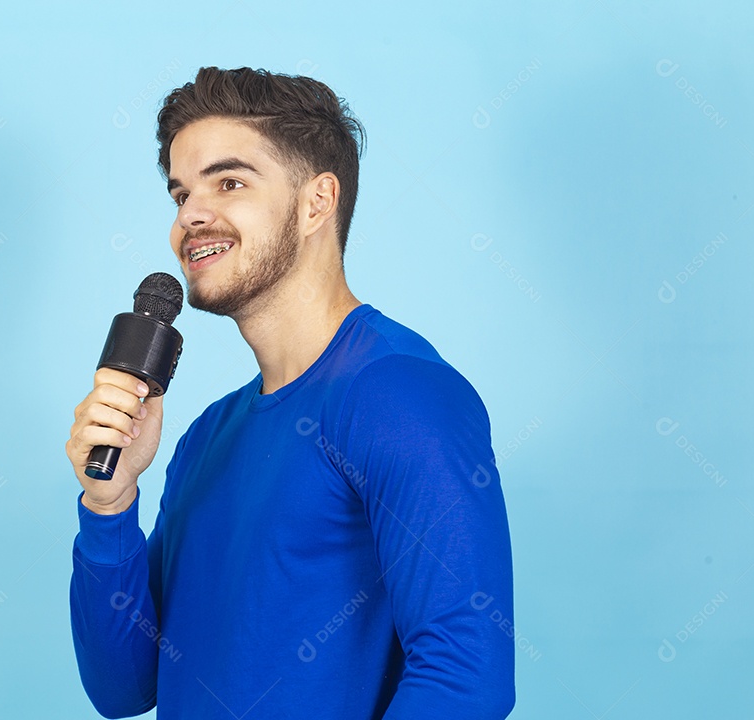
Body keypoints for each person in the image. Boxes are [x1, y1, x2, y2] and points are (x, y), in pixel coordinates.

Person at [65, 66, 515, 719]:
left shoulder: (398, 393)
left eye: (230, 182)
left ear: (316, 201)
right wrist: (108, 505)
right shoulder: (208, 436)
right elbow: (123, 687)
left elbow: (466, 676)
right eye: (180, 193)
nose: (191, 214)